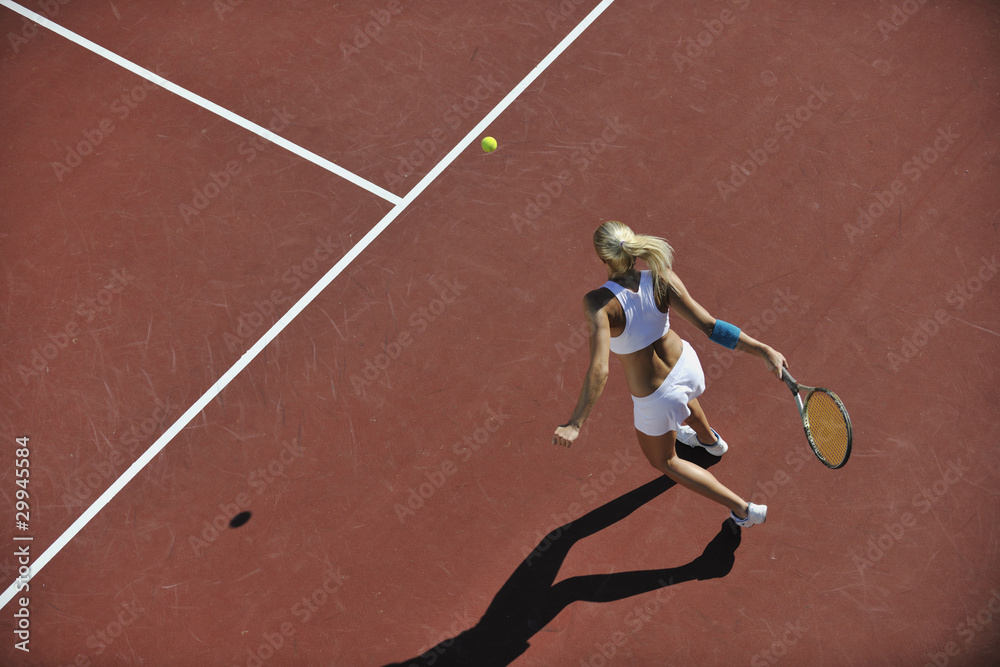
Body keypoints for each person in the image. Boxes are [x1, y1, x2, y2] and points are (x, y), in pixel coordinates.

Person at [551, 221, 788, 527]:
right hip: (686, 366)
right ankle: (710, 441)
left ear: (602, 259)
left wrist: (575, 423)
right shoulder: (662, 278)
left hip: (656, 396)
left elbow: (600, 368)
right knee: (682, 398)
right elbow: (711, 327)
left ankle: (743, 509)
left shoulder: (598, 303)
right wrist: (764, 349)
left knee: (664, 461)